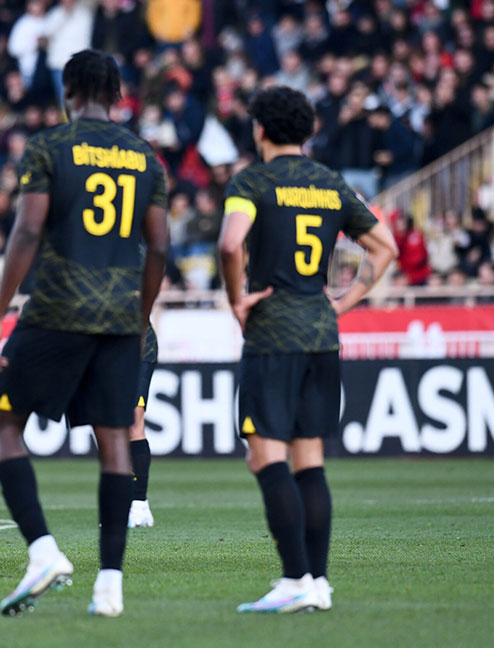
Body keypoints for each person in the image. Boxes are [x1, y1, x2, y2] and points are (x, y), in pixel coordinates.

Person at [0, 49, 169, 617]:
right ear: (116, 95)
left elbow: (26, 232)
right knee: (114, 442)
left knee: (2, 423)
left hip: (57, 309)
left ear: (69, 92)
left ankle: (43, 553)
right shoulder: (145, 157)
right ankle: (109, 586)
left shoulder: (49, 146)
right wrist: (139, 316)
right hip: (120, 318)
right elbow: (160, 247)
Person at [217, 86, 398, 614]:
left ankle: (295, 578)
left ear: (259, 130)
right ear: (308, 130)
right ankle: (317, 582)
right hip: (321, 332)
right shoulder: (331, 184)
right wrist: (343, 302)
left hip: (273, 331)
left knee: (265, 455)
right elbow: (384, 247)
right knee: (310, 461)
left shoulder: (252, 182)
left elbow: (229, 243)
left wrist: (236, 298)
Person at [127, 323, 157, 528]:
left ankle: (139, 504)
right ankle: (121, 500)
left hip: (138, 345)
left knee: (133, 422)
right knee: (109, 428)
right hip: (103, 349)